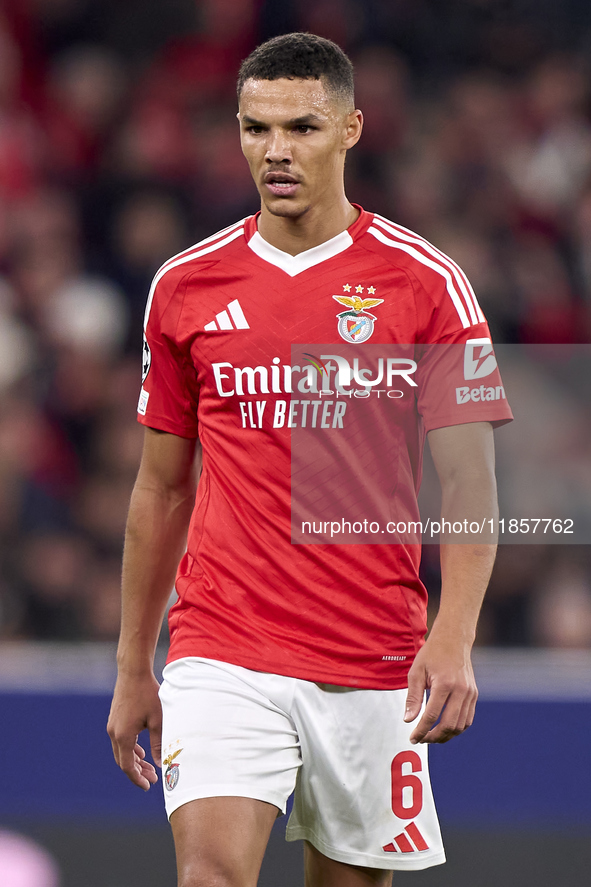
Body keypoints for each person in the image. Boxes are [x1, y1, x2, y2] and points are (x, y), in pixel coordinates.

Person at [107, 32, 512, 887]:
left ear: (352, 128)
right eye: (255, 129)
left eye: (300, 127)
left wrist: (454, 634)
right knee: (208, 875)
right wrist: (132, 663)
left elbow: (469, 481)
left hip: (370, 654)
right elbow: (160, 486)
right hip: (221, 643)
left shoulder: (425, 284)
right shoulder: (185, 286)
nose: (275, 151)